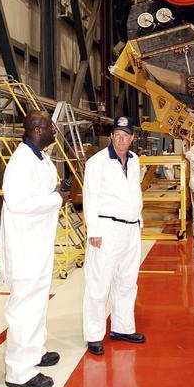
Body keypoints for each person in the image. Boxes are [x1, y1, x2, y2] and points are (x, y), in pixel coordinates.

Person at [1, 111, 69, 387]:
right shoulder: (21, 162)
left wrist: (58, 191)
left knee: (38, 303)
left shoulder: (41, 158)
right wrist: (57, 198)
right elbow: (18, 202)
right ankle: (19, 371)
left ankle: (35, 351)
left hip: (39, 244)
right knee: (24, 308)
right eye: (51, 126)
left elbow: (44, 191)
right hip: (24, 248)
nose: (55, 130)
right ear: (38, 130)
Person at [83, 116, 145, 355]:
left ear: (132, 138)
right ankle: (94, 335)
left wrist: (138, 221)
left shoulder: (134, 160)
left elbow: (134, 192)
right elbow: (90, 197)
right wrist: (94, 231)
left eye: (125, 135)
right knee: (99, 284)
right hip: (106, 229)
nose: (121, 139)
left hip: (131, 229)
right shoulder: (97, 162)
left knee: (127, 281)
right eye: (117, 135)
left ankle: (123, 328)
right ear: (111, 136)